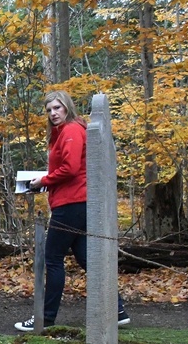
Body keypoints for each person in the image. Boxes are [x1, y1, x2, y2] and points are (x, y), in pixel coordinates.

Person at [14, 90, 129, 331]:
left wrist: (43, 181)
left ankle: (45, 317)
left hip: (71, 204)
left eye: (57, 108)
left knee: (53, 257)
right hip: (75, 202)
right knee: (87, 259)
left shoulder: (71, 130)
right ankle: (117, 309)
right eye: (49, 110)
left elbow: (71, 168)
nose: (53, 113)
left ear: (67, 107)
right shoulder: (64, 132)